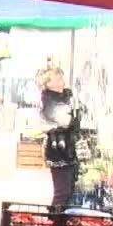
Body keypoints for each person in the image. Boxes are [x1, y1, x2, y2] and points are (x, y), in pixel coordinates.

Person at [40, 69, 79, 210]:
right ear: (48, 84)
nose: (61, 81)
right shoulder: (48, 99)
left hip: (69, 148)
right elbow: (64, 121)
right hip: (58, 149)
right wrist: (73, 113)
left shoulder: (67, 95)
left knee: (68, 190)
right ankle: (54, 221)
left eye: (61, 78)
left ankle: (60, 219)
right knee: (62, 192)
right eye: (56, 79)